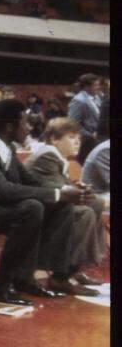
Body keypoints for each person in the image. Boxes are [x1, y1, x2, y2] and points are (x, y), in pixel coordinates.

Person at [0, 99, 92, 306]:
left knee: (57, 205)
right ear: (10, 126)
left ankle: (31, 277)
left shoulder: (7, 147)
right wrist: (59, 193)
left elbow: (32, 181)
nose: (30, 128)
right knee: (31, 207)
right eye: (25, 123)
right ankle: (0, 286)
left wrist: (67, 190)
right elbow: (4, 190)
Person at [24, 118, 106, 292]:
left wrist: (79, 188)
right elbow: (54, 189)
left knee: (94, 205)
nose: (77, 142)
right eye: (71, 137)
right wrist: (80, 192)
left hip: (49, 207)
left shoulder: (58, 157)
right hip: (33, 211)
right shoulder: (47, 155)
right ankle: (61, 276)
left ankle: (75, 269)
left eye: (79, 138)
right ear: (54, 139)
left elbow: (61, 186)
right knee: (84, 212)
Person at [67, 73, 102, 164]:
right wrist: (90, 135)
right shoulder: (79, 100)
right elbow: (72, 123)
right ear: (87, 87)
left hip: (99, 139)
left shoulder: (98, 98)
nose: (98, 87)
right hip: (86, 142)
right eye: (96, 85)